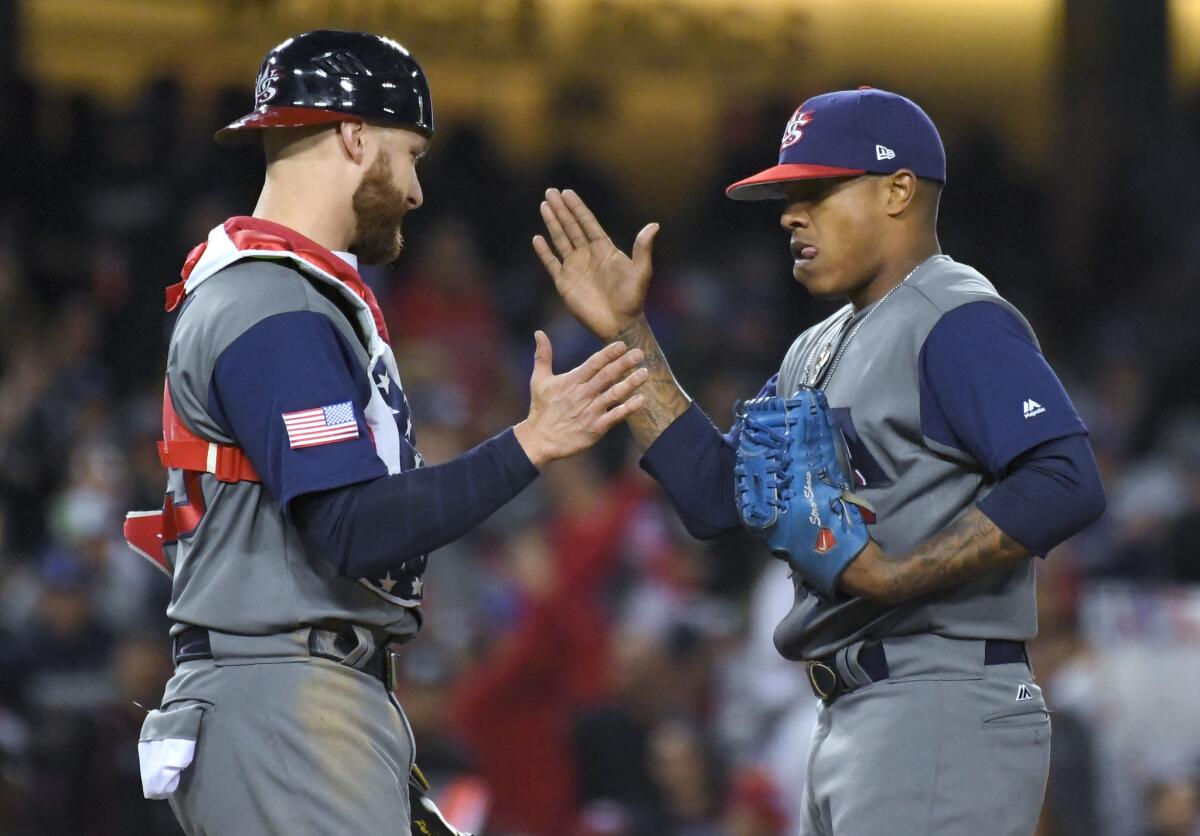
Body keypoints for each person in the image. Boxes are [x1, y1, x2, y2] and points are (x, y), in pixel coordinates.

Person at [533, 87, 1106, 835]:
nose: (790, 216)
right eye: (788, 197)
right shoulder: (819, 343)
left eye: (818, 192)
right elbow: (713, 497)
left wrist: (899, 575)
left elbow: (1066, 479)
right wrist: (627, 333)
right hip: (853, 714)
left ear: (900, 190)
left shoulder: (956, 316)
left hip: (940, 699)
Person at [125, 30, 647, 835]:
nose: (415, 191)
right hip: (285, 704)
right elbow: (355, 527)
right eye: (409, 156)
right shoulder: (274, 303)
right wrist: (531, 443)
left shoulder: (273, 290)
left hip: (301, 695)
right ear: (354, 135)